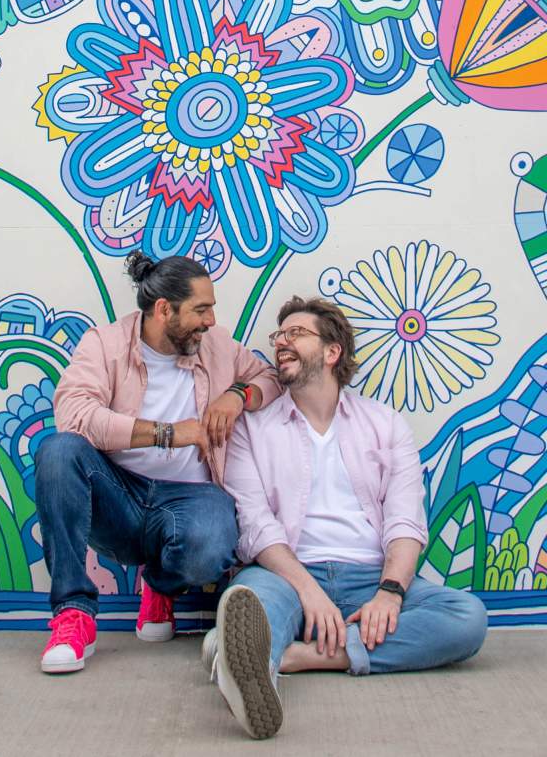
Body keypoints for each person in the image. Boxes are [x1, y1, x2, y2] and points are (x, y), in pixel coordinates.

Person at [205, 296, 488, 739]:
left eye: (296, 334)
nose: (281, 343)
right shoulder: (252, 429)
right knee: (253, 601)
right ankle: (253, 663)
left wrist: (390, 593)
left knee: (466, 617)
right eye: (279, 336)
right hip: (285, 575)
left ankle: (292, 656)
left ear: (333, 351)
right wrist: (309, 590)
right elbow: (256, 527)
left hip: (369, 579)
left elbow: (405, 521)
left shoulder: (384, 424)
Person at [34, 252, 281, 674]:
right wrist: (168, 432)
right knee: (58, 451)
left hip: (190, 500)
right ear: (164, 309)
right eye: (201, 309)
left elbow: (270, 379)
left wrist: (236, 396)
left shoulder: (217, 344)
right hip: (120, 497)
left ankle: (160, 586)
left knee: (212, 542)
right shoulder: (105, 343)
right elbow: (74, 415)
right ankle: (73, 615)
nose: (210, 320)